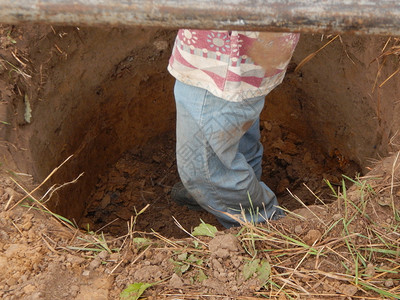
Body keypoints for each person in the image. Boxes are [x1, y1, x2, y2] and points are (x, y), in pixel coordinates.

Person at [168, 29, 299, 228]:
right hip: (251, 50)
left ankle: (261, 224)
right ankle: (230, 192)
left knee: (204, 169)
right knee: (235, 130)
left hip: (220, 60)